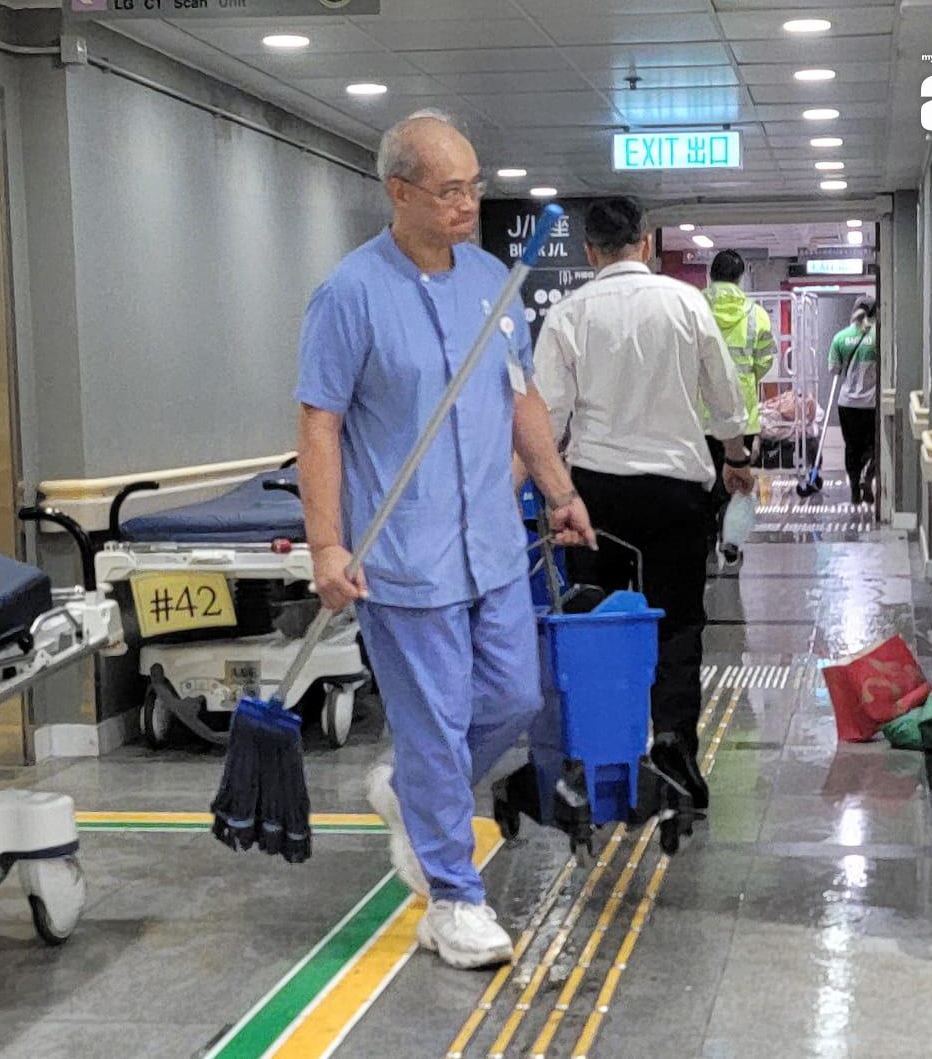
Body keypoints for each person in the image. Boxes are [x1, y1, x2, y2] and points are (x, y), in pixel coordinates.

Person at [294, 110, 593, 971]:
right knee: (433, 725)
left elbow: (522, 399)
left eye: (475, 187)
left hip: (493, 544)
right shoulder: (350, 294)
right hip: (403, 555)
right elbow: (320, 422)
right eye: (451, 190)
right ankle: (453, 898)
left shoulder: (493, 284)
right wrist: (325, 547)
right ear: (399, 192)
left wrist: (559, 489)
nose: (469, 204)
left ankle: (413, 792)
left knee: (516, 696)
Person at [531, 196, 754, 810]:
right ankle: (676, 749)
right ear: (647, 242)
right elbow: (724, 394)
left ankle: (601, 761)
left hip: (596, 494)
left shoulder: (569, 314)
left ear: (589, 252)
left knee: (596, 621)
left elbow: (545, 420)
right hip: (679, 492)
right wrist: (734, 459)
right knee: (679, 621)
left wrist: (551, 494)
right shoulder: (686, 303)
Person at [703, 249, 777, 565]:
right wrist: (744, 380)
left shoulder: (694, 308)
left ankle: (704, 539)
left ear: (711, 275)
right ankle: (730, 538)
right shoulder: (756, 314)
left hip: (698, 416)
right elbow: (765, 361)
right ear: (740, 277)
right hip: (741, 416)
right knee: (736, 481)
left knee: (702, 481)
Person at [828, 294, 880, 505]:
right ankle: (869, 476)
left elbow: (833, 369)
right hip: (872, 403)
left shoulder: (840, 337)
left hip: (847, 404)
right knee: (874, 445)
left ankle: (854, 491)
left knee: (851, 446)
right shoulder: (880, 335)